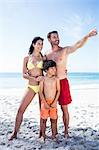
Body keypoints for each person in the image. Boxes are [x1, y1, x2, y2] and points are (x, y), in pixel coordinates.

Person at [46, 29, 97, 137]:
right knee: (52, 108)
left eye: (57, 36)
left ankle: (66, 131)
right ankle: (54, 132)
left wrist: (87, 35)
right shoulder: (47, 54)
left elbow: (77, 45)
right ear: (49, 39)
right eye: (54, 37)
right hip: (52, 84)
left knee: (64, 108)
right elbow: (43, 68)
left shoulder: (64, 50)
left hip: (63, 82)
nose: (57, 39)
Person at [9, 36, 44, 140]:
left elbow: (49, 70)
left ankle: (41, 134)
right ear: (33, 44)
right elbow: (23, 75)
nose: (40, 46)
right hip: (32, 86)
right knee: (20, 110)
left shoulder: (43, 58)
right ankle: (15, 133)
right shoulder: (26, 58)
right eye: (38, 43)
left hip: (42, 87)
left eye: (42, 44)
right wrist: (32, 77)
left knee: (42, 112)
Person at [39, 60, 60, 142]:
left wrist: (55, 101)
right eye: (52, 68)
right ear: (46, 70)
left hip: (53, 101)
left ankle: (54, 136)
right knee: (44, 119)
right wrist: (44, 103)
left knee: (54, 119)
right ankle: (43, 136)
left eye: (55, 68)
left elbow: (58, 91)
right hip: (45, 102)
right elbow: (40, 91)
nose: (54, 70)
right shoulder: (43, 79)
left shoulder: (56, 79)